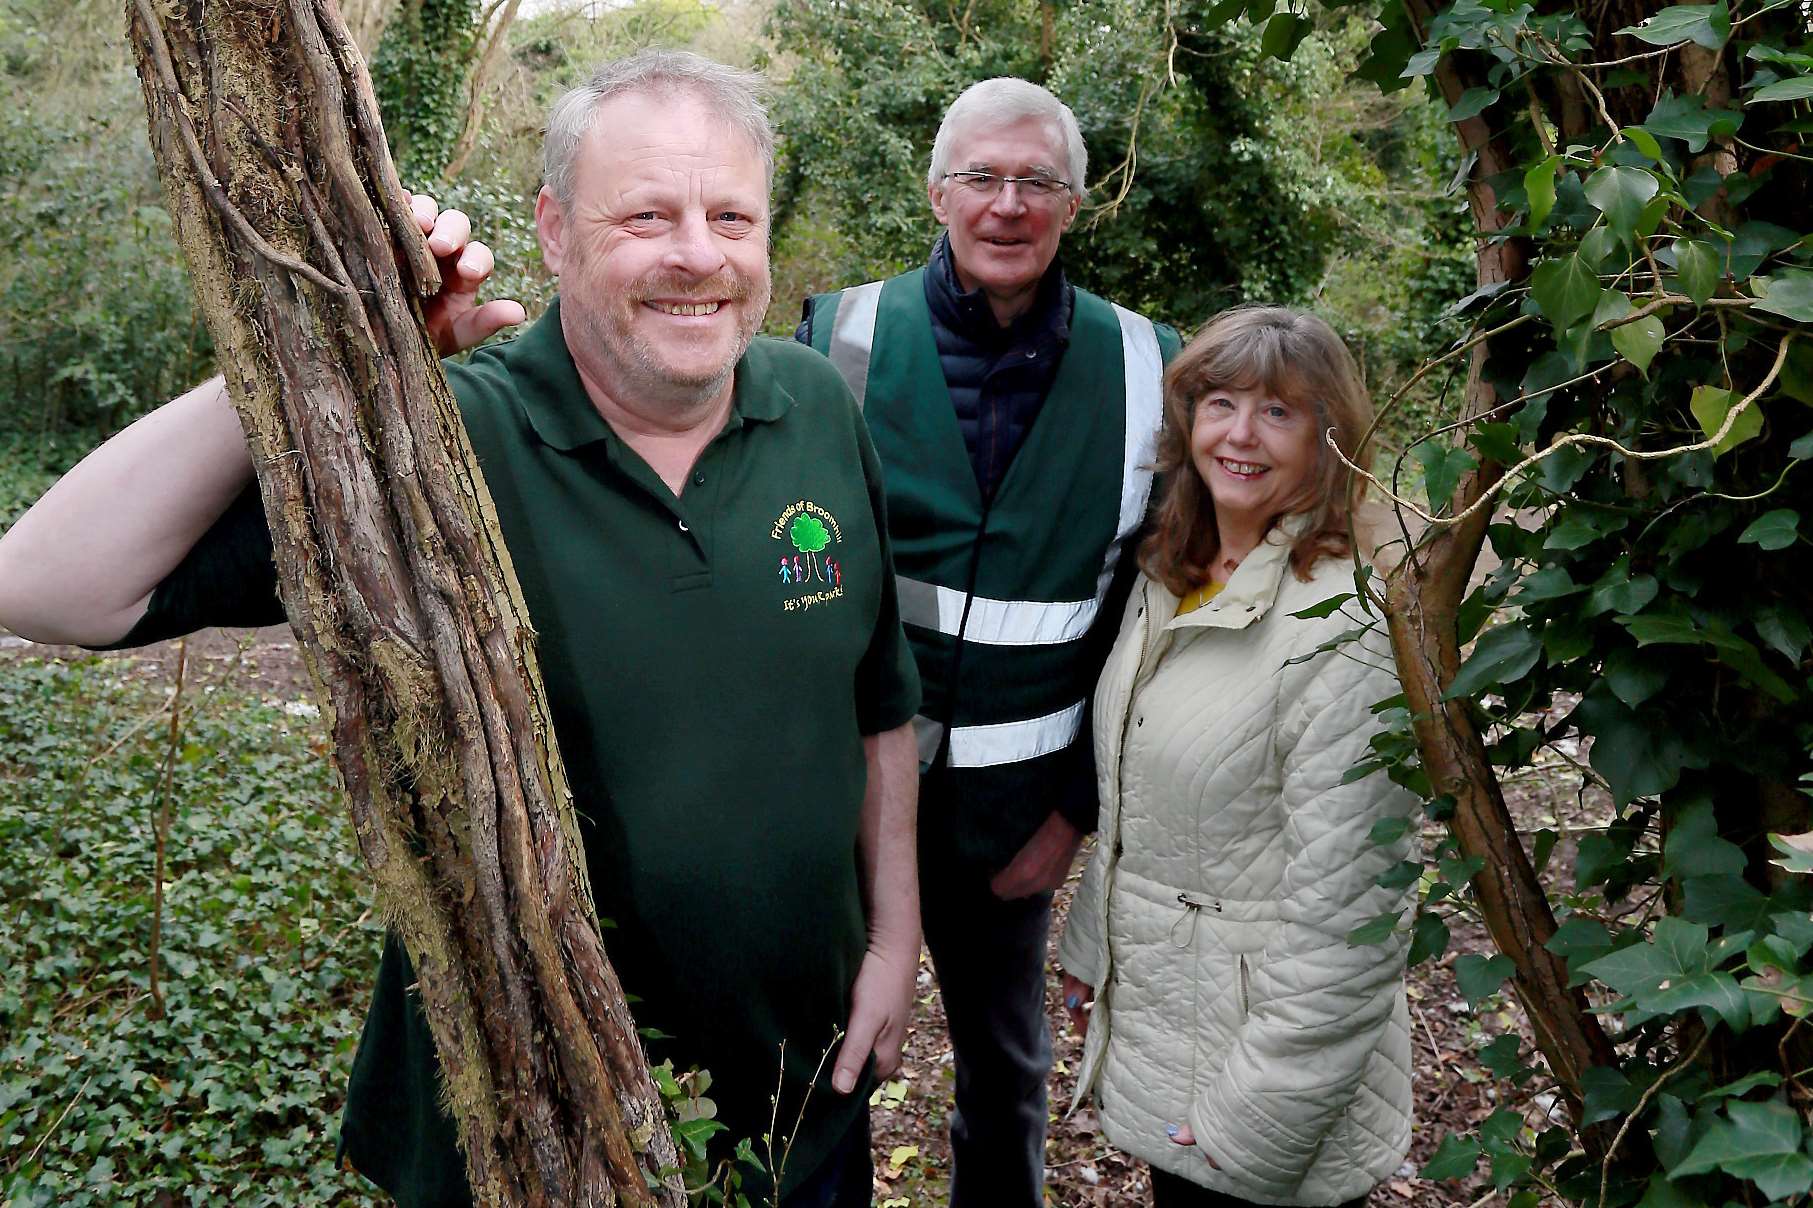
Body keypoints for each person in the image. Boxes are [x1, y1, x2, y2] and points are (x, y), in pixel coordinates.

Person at [0, 51, 922, 1208]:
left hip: (803, 1100)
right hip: (527, 1113)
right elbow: (47, 586)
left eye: (728, 213)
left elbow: (877, 702)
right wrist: (324, 351)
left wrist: (894, 943)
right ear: (552, 229)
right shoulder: (444, 444)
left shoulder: (818, 405)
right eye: (646, 214)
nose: (698, 253)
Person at [794, 77, 1182, 1208]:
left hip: (1017, 817)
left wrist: (1071, 815)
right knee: (831, 1057)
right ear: (937, 192)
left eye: (1036, 182)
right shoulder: (835, 335)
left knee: (1008, 1073)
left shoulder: (1151, 367)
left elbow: (1142, 628)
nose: (1007, 205)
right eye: (982, 178)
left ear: (1072, 203)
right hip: (844, 797)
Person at [1054, 306, 1417, 1207]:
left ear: (1328, 437)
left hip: (1261, 1081)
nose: (1240, 435)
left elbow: (1349, 922)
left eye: (1279, 412)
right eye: (1221, 402)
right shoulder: (1173, 570)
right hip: (1176, 1027)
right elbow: (1152, 793)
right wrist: (1091, 942)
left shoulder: (1345, 626)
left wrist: (1250, 1126)